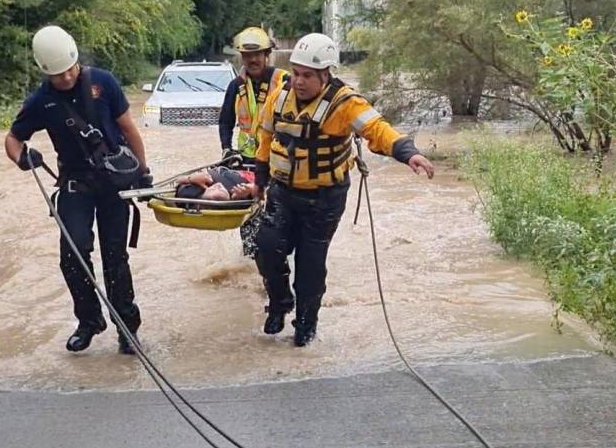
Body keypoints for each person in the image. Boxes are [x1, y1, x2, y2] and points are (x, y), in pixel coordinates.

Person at [253, 33, 436, 347]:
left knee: (310, 267)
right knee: (266, 247)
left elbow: (377, 129)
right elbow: (266, 139)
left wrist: (408, 153)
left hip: (324, 198)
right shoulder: (278, 97)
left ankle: (305, 325)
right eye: (296, 73)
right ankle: (280, 302)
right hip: (283, 192)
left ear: (326, 75)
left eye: (307, 76)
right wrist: (259, 178)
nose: (299, 81)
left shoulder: (345, 104)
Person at [5, 25, 151, 355]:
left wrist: (144, 173)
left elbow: (129, 128)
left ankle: (127, 328)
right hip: (75, 186)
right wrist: (22, 158)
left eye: (69, 70)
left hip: (113, 185)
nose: (66, 78)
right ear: (45, 72)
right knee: (72, 256)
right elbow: (13, 139)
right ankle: (89, 321)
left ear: (76, 59)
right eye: (58, 76)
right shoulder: (42, 100)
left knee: (116, 259)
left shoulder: (104, 82)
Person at [218, 27, 289, 256]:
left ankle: (280, 257)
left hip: (279, 161)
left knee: (278, 215)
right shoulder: (235, 86)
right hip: (247, 160)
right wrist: (227, 149)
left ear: (267, 54)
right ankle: (250, 259)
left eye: (257, 54)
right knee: (249, 216)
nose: (252, 60)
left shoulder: (283, 81)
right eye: (247, 56)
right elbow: (225, 122)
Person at [175, 167, 258, 202]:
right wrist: (251, 189)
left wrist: (190, 178)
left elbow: (177, 180)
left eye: (213, 188)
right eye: (219, 189)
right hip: (246, 177)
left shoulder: (189, 193)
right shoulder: (240, 192)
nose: (218, 185)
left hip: (223, 172)